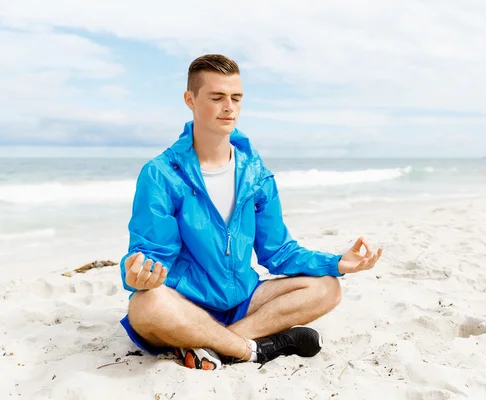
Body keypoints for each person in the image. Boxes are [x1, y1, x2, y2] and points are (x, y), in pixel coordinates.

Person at [119, 54, 383, 370]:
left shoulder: (257, 174)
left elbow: (279, 252)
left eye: (236, 98)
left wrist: (336, 262)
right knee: (145, 305)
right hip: (183, 304)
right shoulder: (161, 174)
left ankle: (212, 346)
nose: (229, 107)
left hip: (242, 301)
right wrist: (137, 273)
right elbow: (151, 254)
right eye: (216, 98)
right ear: (190, 100)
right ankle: (253, 349)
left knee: (328, 286)